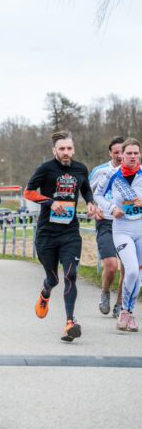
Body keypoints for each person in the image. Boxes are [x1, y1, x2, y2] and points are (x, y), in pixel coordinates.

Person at [24, 130, 99, 342]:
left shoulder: (80, 169)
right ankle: (45, 290)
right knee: (54, 279)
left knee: (70, 275)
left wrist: (91, 203)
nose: (66, 152)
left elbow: (86, 189)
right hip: (47, 233)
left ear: (73, 149)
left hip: (69, 232)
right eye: (62, 149)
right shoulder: (45, 169)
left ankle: (69, 323)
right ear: (54, 150)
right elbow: (28, 192)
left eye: (69, 148)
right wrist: (50, 202)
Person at [94, 138, 142, 332]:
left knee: (138, 274)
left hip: (141, 228)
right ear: (122, 155)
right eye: (128, 153)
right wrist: (111, 207)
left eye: (135, 153)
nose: (132, 156)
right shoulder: (112, 174)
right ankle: (124, 310)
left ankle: (128, 313)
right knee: (130, 270)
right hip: (122, 229)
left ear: (139, 154)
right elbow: (98, 195)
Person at [89, 136, 125, 317]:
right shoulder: (100, 171)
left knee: (128, 267)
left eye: (122, 152)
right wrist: (93, 207)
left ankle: (120, 302)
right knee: (111, 266)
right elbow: (87, 192)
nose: (119, 156)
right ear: (110, 153)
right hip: (106, 222)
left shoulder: (135, 172)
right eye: (116, 152)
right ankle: (105, 293)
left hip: (127, 223)